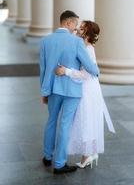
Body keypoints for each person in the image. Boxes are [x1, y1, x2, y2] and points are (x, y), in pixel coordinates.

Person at [40, 11, 100, 174]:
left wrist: (44, 92)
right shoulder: (76, 42)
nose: (76, 29)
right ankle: (59, 164)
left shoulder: (45, 41)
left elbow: (43, 69)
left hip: (52, 90)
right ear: (68, 23)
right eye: (75, 24)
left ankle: (47, 156)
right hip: (72, 91)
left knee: (51, 121)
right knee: (65, 125)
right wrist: (96, 69)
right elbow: (91, 68)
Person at [55, 20, 115, 169]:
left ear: (87, 33)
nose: (78, 29)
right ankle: (89, 154)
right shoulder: (82, 45)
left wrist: (66, 71)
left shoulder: (88, 48)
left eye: (82, 28)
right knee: (86, 119)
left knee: (86, 119)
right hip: (85, 87)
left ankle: (87, 155)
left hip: (87, 88)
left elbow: (87, 74)